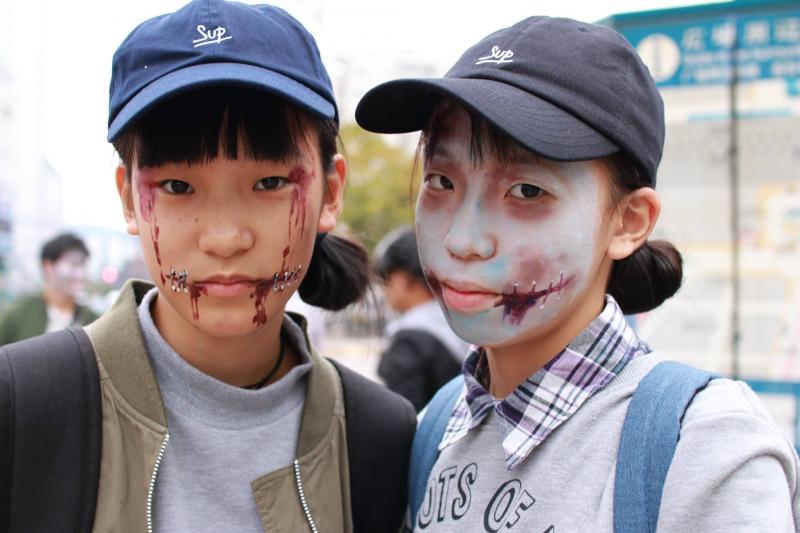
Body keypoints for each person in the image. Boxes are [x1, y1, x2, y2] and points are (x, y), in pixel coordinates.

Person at [356, 16, 800, 531]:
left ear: (629, 221)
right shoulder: (439, 424)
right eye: (440, 181)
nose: (461, 239)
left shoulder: (705, 447)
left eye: (526, 191)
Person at [0, 1, 414, 532]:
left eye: (269, 183)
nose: (224, 238)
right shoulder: (21, 403)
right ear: (129, 200)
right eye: (177, 187)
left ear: (330, 193)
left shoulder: (378, 437)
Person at [374, 227, 468, 411]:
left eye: (386, 278)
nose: (385, 287)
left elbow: (401, 416)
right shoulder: (464, 326)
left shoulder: (409, 340)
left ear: (405, 277)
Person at [0, 232, 98, 345]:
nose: (80, 274)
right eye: (73, 264)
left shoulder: (93, 321)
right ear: (48, 266)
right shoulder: (17, 315)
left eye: (83, 265)